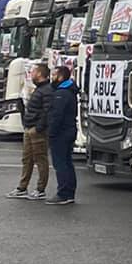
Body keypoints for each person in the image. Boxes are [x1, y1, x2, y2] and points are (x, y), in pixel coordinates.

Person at [10, 68, 55, 200]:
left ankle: (40, 189)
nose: (31, 75)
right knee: (27, 159)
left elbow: (47, 111)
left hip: (36, 129)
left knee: (40, 159)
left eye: (33, 72)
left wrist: (39, 127)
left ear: (40, 74)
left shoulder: (46, 90)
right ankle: (22, 187)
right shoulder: (40, 89)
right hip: (30, 127)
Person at [44, 63, 79, 205]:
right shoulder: (69, 91)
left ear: (61, 76)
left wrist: (50, 133)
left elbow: (56, 116)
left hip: (61, 133)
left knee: (61, 164)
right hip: (69, 130)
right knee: (67, 162)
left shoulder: (61, 94)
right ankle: (69, 192)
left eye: (54, 75)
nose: (52, 78)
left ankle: (63, 193)